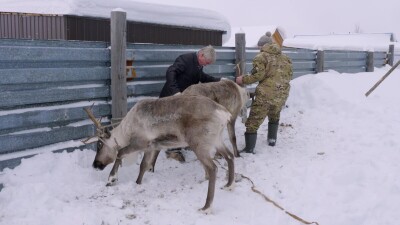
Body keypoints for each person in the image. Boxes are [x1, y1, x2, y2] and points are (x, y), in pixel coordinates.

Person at [159, 45, 221, 161]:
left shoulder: (198, 64)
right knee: (173, 123)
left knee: (183, 123)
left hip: (184, 100)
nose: (206, 65)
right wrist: (175, 92)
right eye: (206, 62)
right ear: (201, 55)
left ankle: (183, 143)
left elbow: (202, 77)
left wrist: (219, 81)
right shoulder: (186, 59)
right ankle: (172, 151)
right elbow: (171, 71)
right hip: (171, 97)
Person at [235, 32, 293, 153]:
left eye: (258, 47)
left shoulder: (261, 57)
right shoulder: (286, 58)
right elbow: (290, 75)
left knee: (253, 122)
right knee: (274, 115)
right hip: (282, 93)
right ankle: (272, 140)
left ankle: (249, 149)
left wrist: (243, 79)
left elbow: (258, 75)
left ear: (262, 46)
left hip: (266, 94)